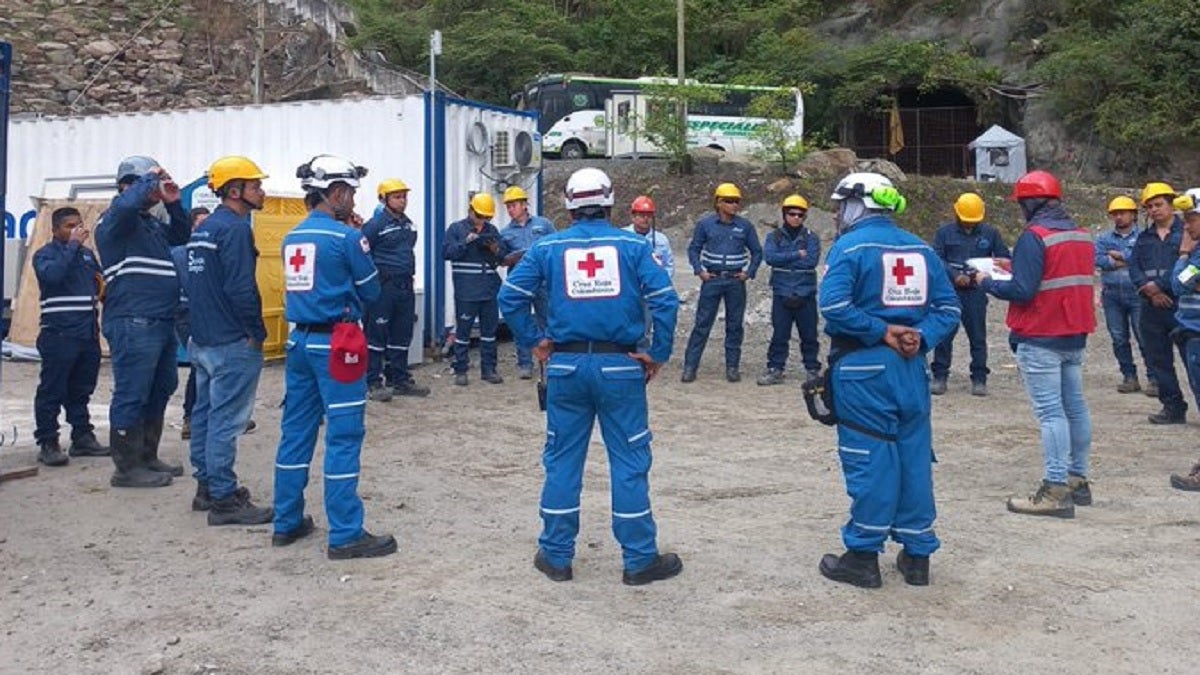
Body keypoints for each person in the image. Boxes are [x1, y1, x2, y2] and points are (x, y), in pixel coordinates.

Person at [497, 167, 683, 585]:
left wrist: (534, 339)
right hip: (620, 367)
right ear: (611, 201)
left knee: (562, 460)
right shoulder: (633, 246)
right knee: (630, 461)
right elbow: (666, 301)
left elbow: (510, 295)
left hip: (565, 367)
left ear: (567, 204)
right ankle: (639, 559)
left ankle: (556, 555)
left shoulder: (548, 248)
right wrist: (657, 353)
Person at [816, 172, 960, 589]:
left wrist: (881, 331)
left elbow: (836, 306)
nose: (838, 213)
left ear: (858, 203)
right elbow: (949, 309)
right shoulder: (921, 248)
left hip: (864, 368)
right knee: (913, 455)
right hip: (912, 369)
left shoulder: (850, 247)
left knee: (871, 456)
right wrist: (922, 336)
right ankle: (917, 556)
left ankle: (862, 556)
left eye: (842, 205)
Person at [272, 154, 397, 559]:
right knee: (344, 436)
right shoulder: (346, 237)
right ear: (336, 192)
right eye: (351, 192)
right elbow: (371, 291)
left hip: (300, 342)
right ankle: (345, 533)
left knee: (296, 432)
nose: (354, 200)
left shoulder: (292, 236)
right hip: (336, 343)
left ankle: (286, 522)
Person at [976, 170, 1095, 518]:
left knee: (1050, 413)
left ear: (1031, 202)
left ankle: (1055, 489)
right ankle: (1077, 479)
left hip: (1041, 335)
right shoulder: (1081, 235)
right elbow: (1056, 271)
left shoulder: (1034, 236)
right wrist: (1014, 264)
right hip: (1074, 333)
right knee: (1075, 407)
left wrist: (987, 280)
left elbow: (1023, 290)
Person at [182, 156, 273, 525]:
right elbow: (240, 287)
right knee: (226, 420)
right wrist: (256, 331)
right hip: (231, 340)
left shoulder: (203, 229)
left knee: (204, 414)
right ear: (234, 190)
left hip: (203, 338)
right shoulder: (235, 229)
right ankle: (223, 499)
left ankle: (206, 486)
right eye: (254, 186)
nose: (261, 190)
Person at [94, 155, 190, 488]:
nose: (153, 191)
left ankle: (147, 456)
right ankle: (126, 467)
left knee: (161, 387)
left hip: (160, 319)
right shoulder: (115, 221)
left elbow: (181, 235)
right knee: (132, 391)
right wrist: (150, 179)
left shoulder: (149, 225)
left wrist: (175, 204)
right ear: (126, 186)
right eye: (145, 185)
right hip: (133, 319)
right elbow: (125, 207)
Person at [31, 207, 109, 466]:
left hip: (87, 334)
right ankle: (48, 442)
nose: (77, 230)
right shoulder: (45, 255)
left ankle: (82, 437)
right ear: (55, 230)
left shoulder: (87, 256)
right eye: (69, 226)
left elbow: (101, 286)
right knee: (52, 390)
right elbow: (53, 277)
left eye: (79, 225)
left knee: (81, 389)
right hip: (59, 334)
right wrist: (72, 247)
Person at [930, 192, 1011, 397]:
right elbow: (935, 259)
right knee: (944, 335)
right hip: (948, 292)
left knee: (977, 336)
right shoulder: (944, 233)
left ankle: (979, 378)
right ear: (956, 213)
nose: (969, 225)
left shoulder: (990, 233)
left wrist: (983, 275)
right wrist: (954, 275)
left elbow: (1003, 259)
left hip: (975, 292)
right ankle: (940, 375)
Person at [681, 182, 762, 383]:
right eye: (729, 201)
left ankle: (732, 367)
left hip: (735, 280)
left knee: (735, 325)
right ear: (718, 202)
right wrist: (699, 271)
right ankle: (690, 366)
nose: (734, 205)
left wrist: (748, 273)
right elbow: (694, 249)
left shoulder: (745, 226)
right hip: (713, 279)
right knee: (702, 324)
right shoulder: (705, 225)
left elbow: (757, 252)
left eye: (736, 201)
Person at [362, 178, 430, 400]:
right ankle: (372, 381)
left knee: (402, 333)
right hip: (384, 287)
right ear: (384, 199)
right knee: (376, 334)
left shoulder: (409, 224)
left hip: (405, 285)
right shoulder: (375, 225)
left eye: (404, 197)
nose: (402, 201)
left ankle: (399, 379)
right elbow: (362, 253)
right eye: (397, 197)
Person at [1129, 181, 1189, 424]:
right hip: (1150, 307)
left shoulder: (1186, 234)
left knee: (1192, 360)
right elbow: (1134, 267)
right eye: (1150, 206)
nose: (1154, 210)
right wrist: (1149, 292)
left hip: (1180, 305)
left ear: (1171, 204)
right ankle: (1172, 407)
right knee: (1159, 361)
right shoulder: (1144, 238)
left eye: (1158, 204)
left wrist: (1162, 287)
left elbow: (1186, 267)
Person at [442, 192, 510, 386]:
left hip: (489, 289)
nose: (483, 221)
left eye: (487, 217)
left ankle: (489, 369)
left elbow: (502, 257)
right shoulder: (456, 229)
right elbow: (446, 252)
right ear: (470, 210)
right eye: (480, 216)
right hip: (466, 290)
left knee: (489, 333)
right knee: (463, 332)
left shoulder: (492, 230)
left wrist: (495, 250)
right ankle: (460, 369)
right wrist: (466, 242)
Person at [757, 194, 821, 386]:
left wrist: (784, 257)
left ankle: (812, 369)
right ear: (785, 214)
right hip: (782, 293)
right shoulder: (773, 236)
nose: (796, 218)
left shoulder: (812, 238)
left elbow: (811, 261)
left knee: (809, 335)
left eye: (800, 215)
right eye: (792, 214)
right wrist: (796, 254)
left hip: (805, 293)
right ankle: (775, 368)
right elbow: (769, 258)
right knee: (780, 334)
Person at [1095, 196, 1155, 394]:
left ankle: (1154, 378)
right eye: (1115, 214)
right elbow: (1099, 260)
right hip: (1112, 294)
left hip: (1139, 294)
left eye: (1123, 213)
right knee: (1119, 337)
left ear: (1133, 214)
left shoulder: (1145, 236)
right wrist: (1128, 260)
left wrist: (1120, 256)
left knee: (1144, 337)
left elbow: (1145, 258)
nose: (1119, 217)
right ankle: (1129, 376)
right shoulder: (1104, 238)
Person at [499, 185, 557, 379]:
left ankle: (551, 357)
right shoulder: (505, 233)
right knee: (521, 322)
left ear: (524, 205)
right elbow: (502, 258)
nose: (510, 209)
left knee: (547, 319)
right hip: (520, 284)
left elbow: (555, 248)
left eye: (513, 205)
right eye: (508, 206)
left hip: (543, 282)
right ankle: (525, 363)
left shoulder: (544, 224)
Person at [1169, 190, 1200, 491]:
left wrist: (1183, 253)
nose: (1186, 227)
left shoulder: (1196, 252)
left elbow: (1177, 285)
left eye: (1191, 219)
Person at [177, 207, 209, 440]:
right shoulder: (181, 254)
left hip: (212, 315)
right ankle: (190, 418)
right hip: (187, 315)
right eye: (200, 223)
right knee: (199, 363)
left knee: (216, 365)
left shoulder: (214, 251)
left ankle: (214, 416)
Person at [623, 195, 675, 280]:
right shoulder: (623, 237)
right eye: (642, 215)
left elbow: (668, 265)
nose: (646, 218)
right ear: (633, 217)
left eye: (649, 215)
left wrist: (662, 284)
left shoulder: (661, 240)